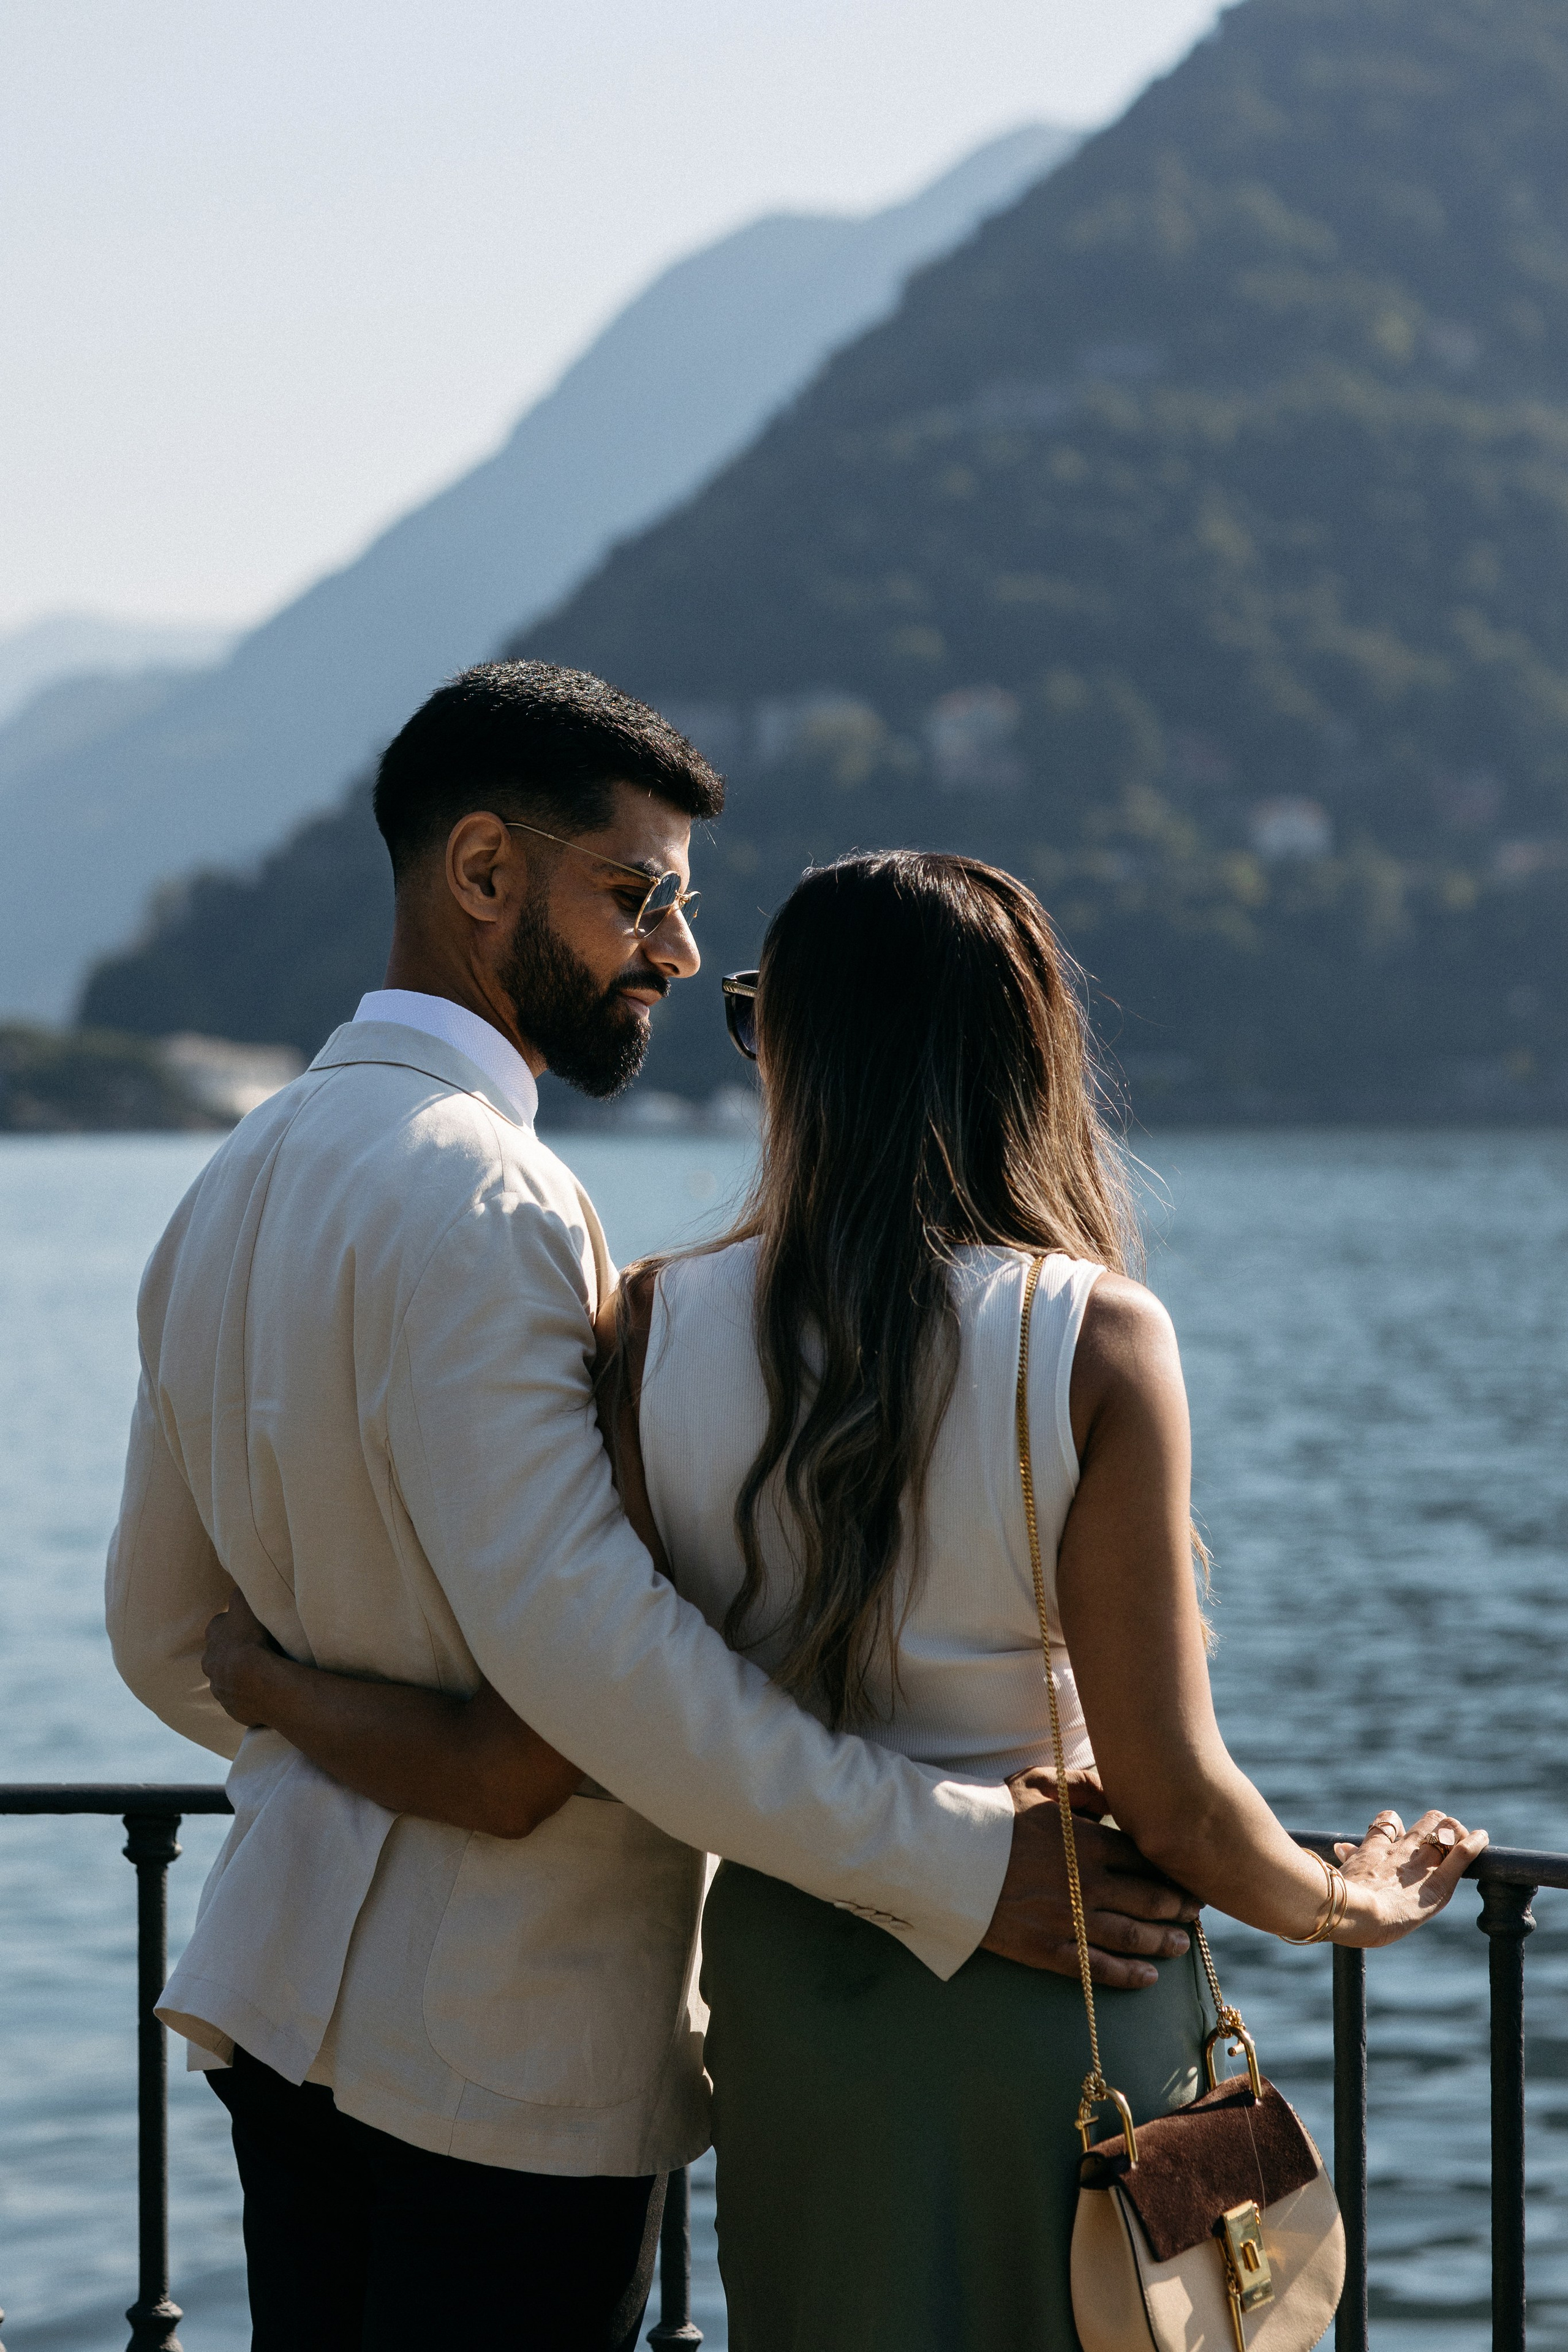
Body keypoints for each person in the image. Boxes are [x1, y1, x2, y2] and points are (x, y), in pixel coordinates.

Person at [198, 846, 1487, 2352]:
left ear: (795, 1053)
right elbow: (1177, 1801)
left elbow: (563, 1713)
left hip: (791, 1986)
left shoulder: (649, 1323)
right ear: (1025, 1053)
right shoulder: (1088, 1339)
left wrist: (264, 1680)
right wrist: (1357, 1900)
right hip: (1062, 1975)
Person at [106, 669, 1199, 2352]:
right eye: (641, 896)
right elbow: (595, 1680)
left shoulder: (233, 1182)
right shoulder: (499, 1197)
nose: (680, 955)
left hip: (277, 2003)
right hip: (504, 2052)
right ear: (483, 875)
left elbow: (163, 1639)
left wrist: (283, 1698)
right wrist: (954, 1864)